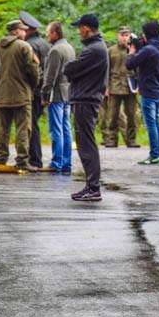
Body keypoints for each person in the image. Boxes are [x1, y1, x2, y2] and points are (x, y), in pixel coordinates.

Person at [64, 13, 110, 201]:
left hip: (86, 100)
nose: (78, 31)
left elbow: (70, 70)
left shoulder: (94, 50)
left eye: (80, 28)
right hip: (87, 99)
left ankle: (93, 187)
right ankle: (91, 186)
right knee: (85, 144)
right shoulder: (97, 47)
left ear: (86, 28)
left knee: (86, 145)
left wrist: (70, 67)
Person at [0, 19, 40, 169]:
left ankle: (1, 159)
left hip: (2, 94)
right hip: (21, 95)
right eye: (22, 30)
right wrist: (33, 86)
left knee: (3, 129)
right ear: (15, 31)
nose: (25, 32)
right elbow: (33, 70)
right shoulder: (24, 46)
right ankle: (22, 160)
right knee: (23, 128)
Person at [126, 20, 159, 165]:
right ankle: (158, 154)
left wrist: (132, 51)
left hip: (148, 91)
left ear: (147, 33)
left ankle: (154, 155)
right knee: (156, 123)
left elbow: (130, 64)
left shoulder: (148, 50)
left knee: (151, 124)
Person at [42, 20, 75, 174]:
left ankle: (56, 163)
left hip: (56, 95)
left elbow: (50, 76)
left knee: (56, 130)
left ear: (55, 33)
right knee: (66, 128)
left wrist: (45, 94)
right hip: (68, 92)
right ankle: (66, 163)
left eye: (48, 32)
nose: (46, 35)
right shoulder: (69, 48)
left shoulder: (56, 50)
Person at [20, 11, 50, 169]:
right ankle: (34, 158)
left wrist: (31, 87)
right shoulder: (44, 43)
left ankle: (35, 159)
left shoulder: (31, 45)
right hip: (42, 90)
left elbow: (34, 70)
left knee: (31, 125)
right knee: (33, 123)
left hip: (34, 91)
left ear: (27, 29)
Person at [102, 27, 138, 148]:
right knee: (112, 115)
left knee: (132, 115)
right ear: (118, 36)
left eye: (126, 35)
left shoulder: (134, 50)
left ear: (130, 36)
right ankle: (112, 139)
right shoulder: (111, 50)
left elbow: (139, 69)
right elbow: (106, 70)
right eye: (122, 35)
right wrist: (105, 87)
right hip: (114, 85)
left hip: (130, 87)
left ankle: (131, 140)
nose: (124, 37)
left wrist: (139, 85)